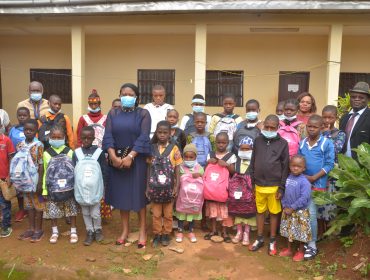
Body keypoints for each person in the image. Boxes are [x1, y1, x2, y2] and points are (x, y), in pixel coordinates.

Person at [103, 83, 151, 249]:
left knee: (138, 197)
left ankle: (142, 231)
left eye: (130, 94)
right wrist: (113, 156)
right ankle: (125, 231)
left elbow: (144, 137)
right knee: (122, 196)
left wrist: (131, 156)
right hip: (117, 161)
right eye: (124, 94)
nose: (127, 97)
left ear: (136, 97)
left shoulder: (143, 114)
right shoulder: (113, 113)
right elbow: (107, 135)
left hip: (136, 161)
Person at [249, 115, 289, 256]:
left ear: (278, 128)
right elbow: (253, 161)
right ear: (263, 125)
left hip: (274, 186)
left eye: (273, 128)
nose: (269, 130)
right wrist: (252, 182)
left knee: (273, 213)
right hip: (259, 184)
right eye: (267, 127)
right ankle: (259, 238)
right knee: (260, 212)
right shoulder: (258, 140)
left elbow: (285, 167)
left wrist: (281, 187)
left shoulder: (283, 143)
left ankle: (272, 240)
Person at [299, 114, 335, 260]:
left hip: (317, 184)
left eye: (315, 127)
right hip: (303, 183)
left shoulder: (326, 143)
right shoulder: (302, 143)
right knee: (305, 213)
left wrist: (314, 177)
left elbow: (329, 164)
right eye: (309, 126)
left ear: (321, 127)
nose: (311, 129)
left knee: (312, 213)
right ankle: (305, 241)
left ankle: (312, 245)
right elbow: (299, 161)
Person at [42, 125, 79, 244]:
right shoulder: (47, 153)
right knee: (53, 210)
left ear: (64, 138)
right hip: (52, 188)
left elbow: (74, 171)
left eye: (59, 137)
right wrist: (44, 190)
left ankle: (73, 231)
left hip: (69, 188)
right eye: (54, 137)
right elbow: (45, 173)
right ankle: (55, 232)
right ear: (49, 138)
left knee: (71, 209)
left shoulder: (69, 152)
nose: (57, 139)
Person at [148, 121, 182, 247]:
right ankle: (157, 234)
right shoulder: (151, 149)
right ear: (156, 133)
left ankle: (166, 234)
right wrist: (147, 187)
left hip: (169, 189)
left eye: (165, 133)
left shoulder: (174, 149)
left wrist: (176, 186)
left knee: (168, 214)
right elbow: (149, 169)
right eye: (159, 132)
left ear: (170, 134)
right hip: (155, 188)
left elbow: (177, 169)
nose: (162, 135)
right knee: (156, 214)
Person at [73, 126, 107, 246]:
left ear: (94, 138)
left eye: (89, 138)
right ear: (80, 138)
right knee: (85, 212)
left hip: (95, 190)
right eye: (84, 138)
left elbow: (104, 171)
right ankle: (89, 231)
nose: (86, 140)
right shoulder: (76, 153)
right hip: (81, 189)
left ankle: (98, 229)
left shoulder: (99, 153)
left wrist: (104, 188)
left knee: (95, 213)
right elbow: (74, 171)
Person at [15, 119, 45, 242]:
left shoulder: (39, 145)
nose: (28, 131)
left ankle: (39, 229)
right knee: (29, 206)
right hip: (24, 181)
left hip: (36, 181)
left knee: (39, 205)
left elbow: (41, 164)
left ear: (36, 131)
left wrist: (40, 183)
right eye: (26, 129)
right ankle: (31, 228)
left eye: (31, 130)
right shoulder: (20, 145)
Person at [318, 105, 346, 236]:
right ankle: (319, 232)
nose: (327, 120)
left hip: (332, 174)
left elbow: (335, 151)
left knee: (330, 203)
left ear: (336, 118)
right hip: (318, 173)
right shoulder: (317, 132)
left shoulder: (340, 134)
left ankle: (330, 234)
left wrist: (327, 134)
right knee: (318, 203)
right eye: (324, 117)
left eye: (330, 117)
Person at [204, 132, 236, 243]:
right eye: (218, 142)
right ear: (215, 143)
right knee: (212, 211)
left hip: (223, 189)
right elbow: (206, 170)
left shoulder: (231, 156)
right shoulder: (211, 154)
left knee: (224, 212)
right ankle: (213, 230)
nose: (221, 145)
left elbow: (233, 172)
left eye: (223, 142)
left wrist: (227, 165)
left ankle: (224, 231)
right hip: (211, 190)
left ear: (228, 143)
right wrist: (208, 162)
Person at [279, 155, 312, 262]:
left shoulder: (304, 182)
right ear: (289, 166)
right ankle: (289, 249)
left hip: (300, 212)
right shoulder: (288, 178)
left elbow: (304, 197)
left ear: (304, 168)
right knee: (288, 231)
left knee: (301, 232)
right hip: (287, 210)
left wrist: (292, 208)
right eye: (293, 166)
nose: (295, 168)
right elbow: (284, 192)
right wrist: (284, 205)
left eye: (299, 166)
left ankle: (301, 251)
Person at [174, 143, 204, 243]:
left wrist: (199, 174)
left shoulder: (199, 168)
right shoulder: (181, 167)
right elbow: (177, 178)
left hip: (194, 199)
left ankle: (191, 231)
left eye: (191, 157)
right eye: (186, 157)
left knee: (192, 213)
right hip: (183, 198)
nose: (188, 159)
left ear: (195, 157)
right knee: (181, 213)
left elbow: (203, 178)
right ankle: (180, 231)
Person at [229, 136, 256, 246]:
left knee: (249, 211)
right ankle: (239, 232)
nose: (244, 151)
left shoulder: (254, 162)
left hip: (249, 191)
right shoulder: (236, 160)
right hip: (237, 191)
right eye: (242, 149)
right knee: (238, 210)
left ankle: (246, 233)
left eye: (247, 149)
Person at [9, 107, 30, 222]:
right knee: (19, 188)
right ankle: (22, 209)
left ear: (29, 116)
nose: (22, 117)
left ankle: (34, 208)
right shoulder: (13, 130)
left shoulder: (33, 128)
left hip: (30, 163)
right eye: (20, 115)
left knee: (31, 186)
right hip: (17, 164)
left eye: (24, 115)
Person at [339, 81, 370, 161]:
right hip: (344, 165)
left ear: (368, 99)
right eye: (353, 97)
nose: (356, 99)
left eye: (361, 97)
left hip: (363, 167)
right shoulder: (344, 117)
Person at [0, 116, 16, 237]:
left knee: (5, 203)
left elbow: (11, 158)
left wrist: (10, 175)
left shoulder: (6, 140)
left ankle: (6, 226)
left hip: (3, 178)